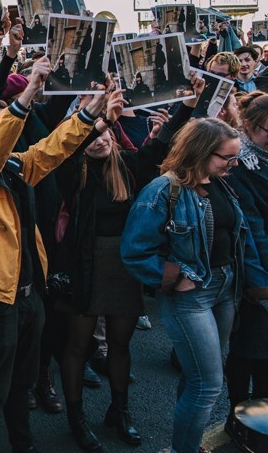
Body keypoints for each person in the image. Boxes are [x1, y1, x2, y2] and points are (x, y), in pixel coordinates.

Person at [0, 55, 112, 453]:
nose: (13, 132)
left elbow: (52, 149)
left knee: (22, 385)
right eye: (3, 125)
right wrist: (29, 90)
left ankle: (24, 445)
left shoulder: (16, 166)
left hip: (29, 295)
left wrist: (91, 109)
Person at [54, 76, 203, 452]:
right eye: (94, 134)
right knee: (76, 346)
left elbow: (163, 142)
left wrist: (187, 104)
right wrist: (100, 118)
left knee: (121, 345)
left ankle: (119, 411)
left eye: (107, 133)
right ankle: (76, 419)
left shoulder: (131, 165)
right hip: (83, 266)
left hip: (123, 266)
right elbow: (70, 151)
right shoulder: (72, 171)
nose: (101, 139)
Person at [121, 118, 268, 453]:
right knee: (207, 385)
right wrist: (176, 276)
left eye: (235, 158)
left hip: (225, 292)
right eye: (226, 158)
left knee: (195, 377)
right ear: (201, 151)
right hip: (192, 298)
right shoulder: (162, 190)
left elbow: (238, 238)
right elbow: (134, 252)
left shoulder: (222, 184)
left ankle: (186, 443)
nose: (233, 165)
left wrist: (256, 283)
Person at [223, 93, 268, 438]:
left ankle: (258, 422)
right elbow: (251, 231)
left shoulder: (265, 158)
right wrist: (260, 284)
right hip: (255, 275)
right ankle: (239, 419)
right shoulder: (239, 165)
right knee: (250, 353)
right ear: (250, 126)